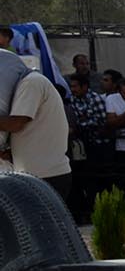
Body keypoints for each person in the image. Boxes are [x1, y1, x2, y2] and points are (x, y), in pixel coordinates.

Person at [0, 70, 75, 200]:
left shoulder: (32, 82)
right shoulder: (27, 84)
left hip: (45, 177)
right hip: (35, 176)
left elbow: (15, 124)